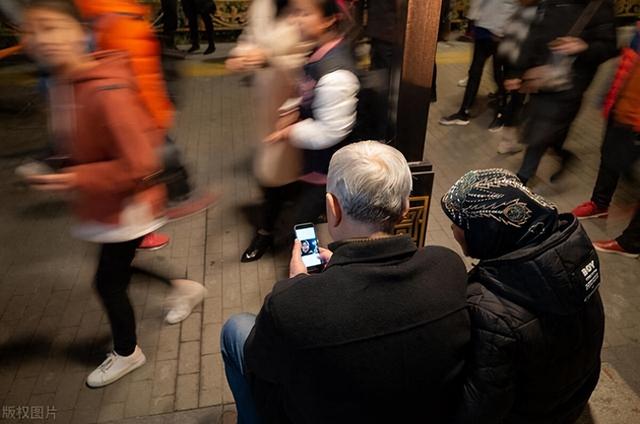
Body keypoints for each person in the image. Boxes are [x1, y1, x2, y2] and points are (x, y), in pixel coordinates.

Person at [19, 0, 204, 387]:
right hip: (106, 204)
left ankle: (127, 352)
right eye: (34, 31)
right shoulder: (63, 83)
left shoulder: (105, 87)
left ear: (78, 31)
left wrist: (71, 179)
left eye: (52, 28)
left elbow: (137, 165)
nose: (43, 40)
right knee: (116, 269)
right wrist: (54, 163)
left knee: (107, 281)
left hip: (128, 205)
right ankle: (183, 288)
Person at [222, 141, 470, 423]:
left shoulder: (291, 304)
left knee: (235, 329)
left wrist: (298, 284)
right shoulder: (447, 267)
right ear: (405, 208)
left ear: (332, 207)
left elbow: (262, 365)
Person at [441, 169, 605, 423]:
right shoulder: (572, 259)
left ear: (489, 231)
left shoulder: (489, 310)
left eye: (460, 223)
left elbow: (481, 409)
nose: (453, 227)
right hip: (571, 400)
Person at [240, 0, 359, 263]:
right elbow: (306, 90)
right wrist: (292, 109)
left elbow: (331, 130)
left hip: (325, 167)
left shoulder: (335, 73)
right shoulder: (318, 52)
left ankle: (312, 268)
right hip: (311, 161)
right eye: (293, 12)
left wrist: (288, 132)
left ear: (329, 19)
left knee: (302, 223)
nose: (293, 20)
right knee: (300, 217)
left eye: (304, 13)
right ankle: (311, 264)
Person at [511, 0, 617, 185]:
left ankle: (523, 178)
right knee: (540, 124)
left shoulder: (599, 6)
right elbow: (534, 35)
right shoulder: (552, 3)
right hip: (543, 75)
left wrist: (584, 47)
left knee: (542, 126)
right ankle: (562, 153)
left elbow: (609, 47)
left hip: (572, 81)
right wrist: (518, 71)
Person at [571, 23, 640, 258]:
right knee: (610, 154)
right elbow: (626, 63)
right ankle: (600, 204)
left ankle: (632, 242)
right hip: (623, 110)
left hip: (633, 115)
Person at [439, 0, 518, 129]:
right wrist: (473, 20)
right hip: (483, 28)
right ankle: (463, 112)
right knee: (475, 71)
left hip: (500, 33)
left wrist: (501, 30)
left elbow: (512, 5)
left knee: (498, 74)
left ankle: (501, 113)